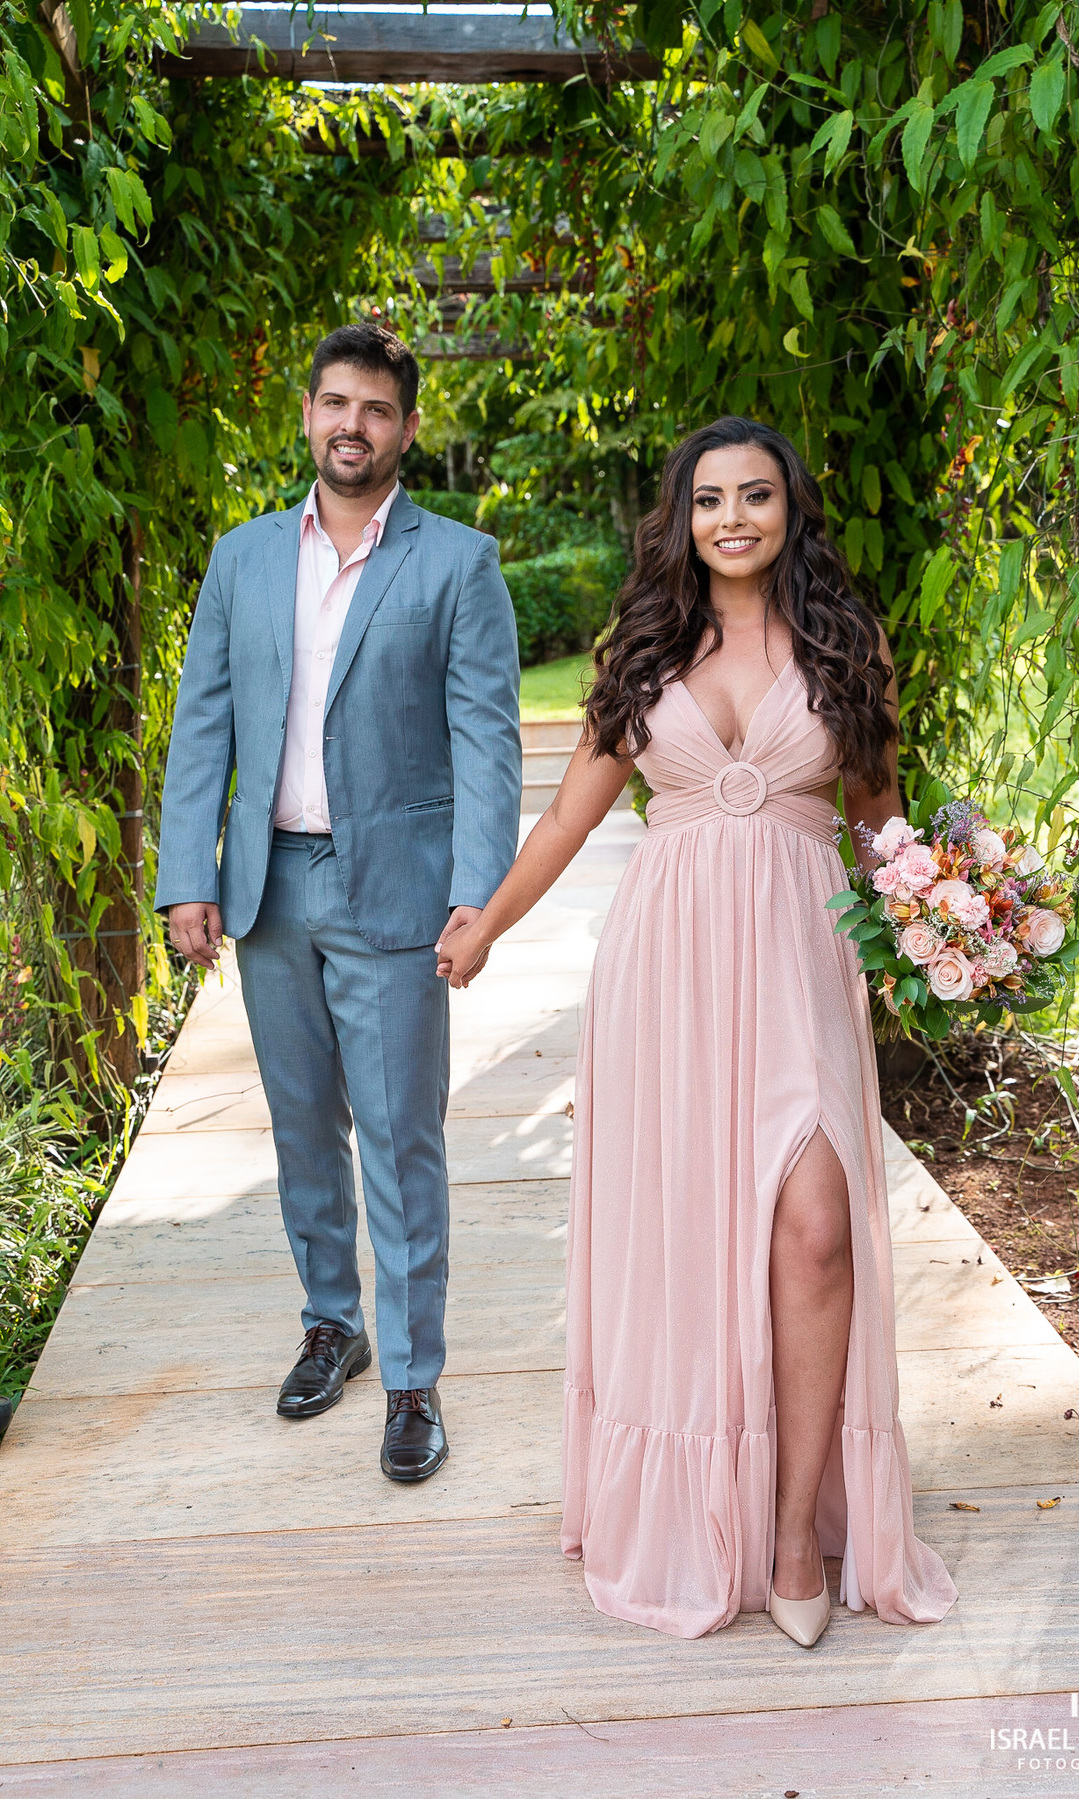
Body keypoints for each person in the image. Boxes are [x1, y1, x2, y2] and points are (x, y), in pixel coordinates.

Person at [436, 416, 957, 1642]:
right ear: (680, 516)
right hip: (666, 975)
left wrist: (954, 929)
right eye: (710, 498)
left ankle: (790, 1534)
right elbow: (568, 818)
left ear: (791, 508)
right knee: (691, 1246)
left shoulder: (844, 639)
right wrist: (488, 923)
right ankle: (690, 1505)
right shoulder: (645, 645)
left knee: (818, 1227)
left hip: (801, 955)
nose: (733, 517)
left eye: (757, 495)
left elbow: (881, 817)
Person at [156, 322, 522, 1483]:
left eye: (374, 408)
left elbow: (489, 743)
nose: (350, 425)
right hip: (269, 888)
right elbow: (201, 726)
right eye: (333, 404)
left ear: (408, 428)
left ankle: (413, 1378)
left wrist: (480, 898)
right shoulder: (244, 557)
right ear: (307, 414)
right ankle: (334, 1323)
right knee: (303, 1124)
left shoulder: (458, 563)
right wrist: (187, 877)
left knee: (402, 1139)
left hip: (400, 896)